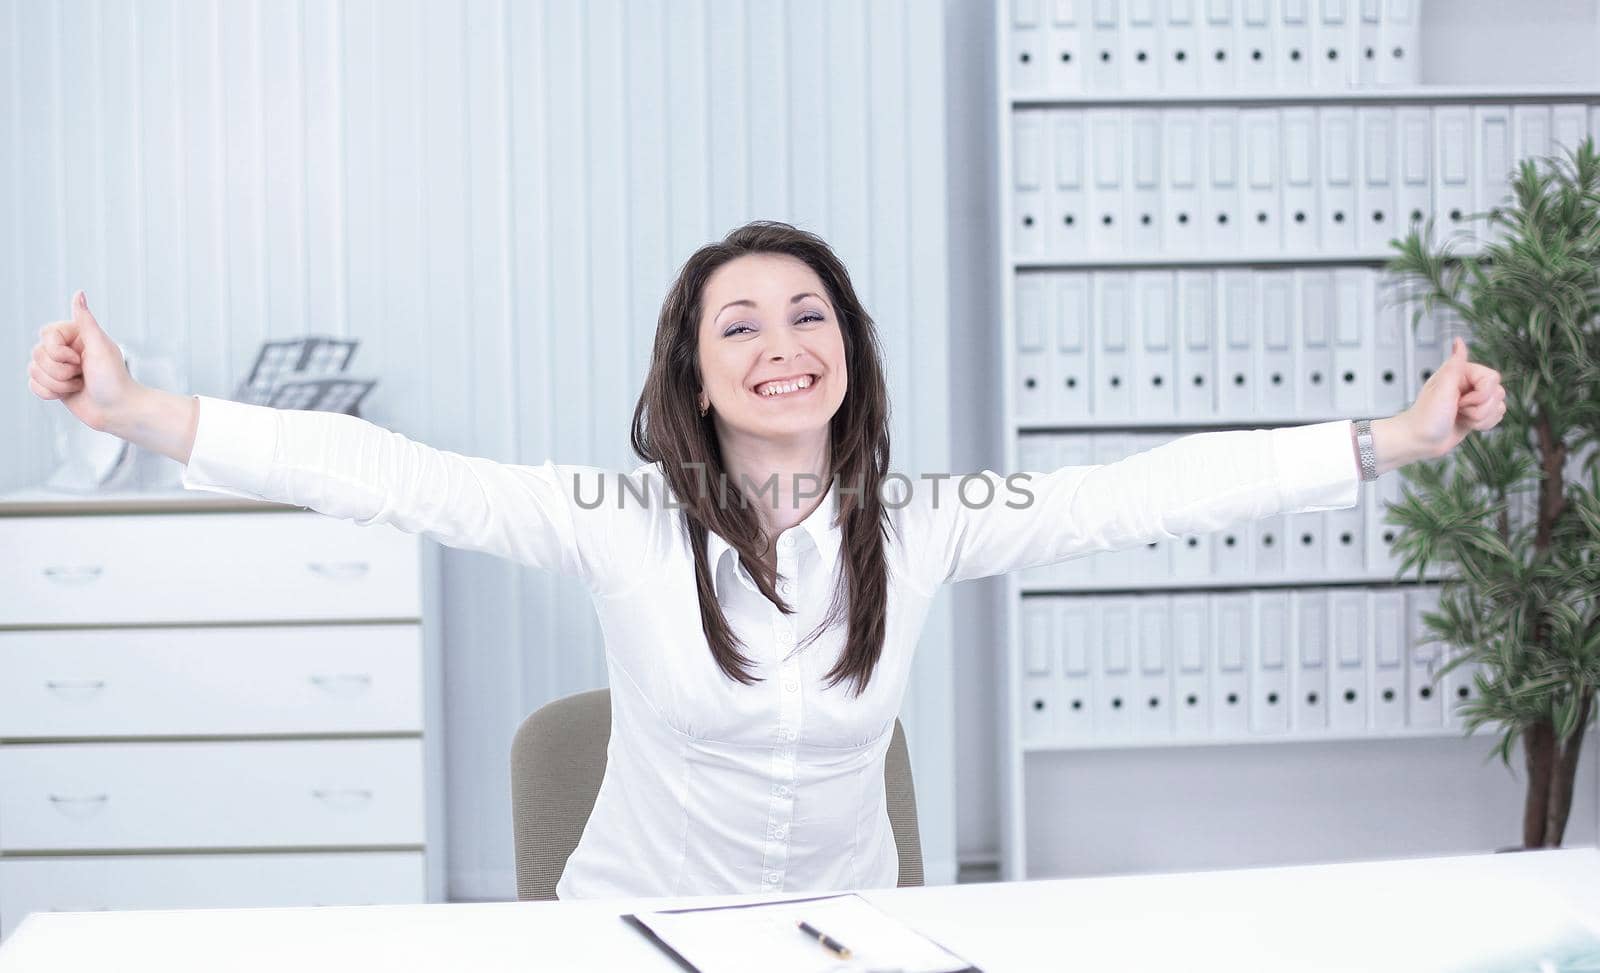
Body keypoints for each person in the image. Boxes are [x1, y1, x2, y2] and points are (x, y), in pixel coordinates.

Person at [25, 221, 1506, 899]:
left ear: (848, 357)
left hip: (850, 945)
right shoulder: (617, 520)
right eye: (740, 322)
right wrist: (140, 412)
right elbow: (393, 476)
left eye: (810, 315)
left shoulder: (926, 521)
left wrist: (1386, 439)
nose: (782, 343)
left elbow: (1137, 494)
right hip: (639, 940)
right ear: (697, 369)